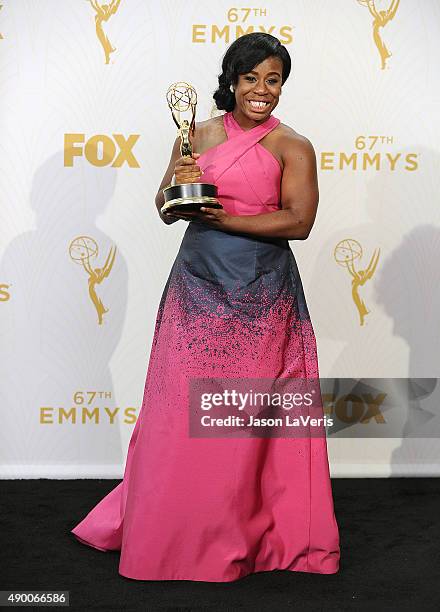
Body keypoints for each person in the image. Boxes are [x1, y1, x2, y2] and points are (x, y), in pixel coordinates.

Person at [71, 32, 340, 581]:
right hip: (196, 291)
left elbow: (300, 221)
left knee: (240, 422)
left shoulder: (293, 145)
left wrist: (227, 220)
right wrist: (180, 184)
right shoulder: (195, 135)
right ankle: (172, 527)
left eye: (273, 80)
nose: (263, 91)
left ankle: (243, 533)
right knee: (178, 416)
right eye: (251, 78)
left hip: (262, 298)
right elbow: (166, 207)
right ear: (232, 81)